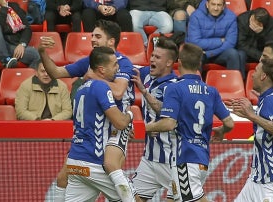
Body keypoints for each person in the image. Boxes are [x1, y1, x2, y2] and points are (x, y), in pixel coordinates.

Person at [38, 20, 136, 201]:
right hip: (102, 131)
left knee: (110, 167)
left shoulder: (122, 63)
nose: (92, 39)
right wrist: (42, 52)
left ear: (111, 41)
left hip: (113, 130)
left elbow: (118, 92)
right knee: (123, 191)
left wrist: (92, 78)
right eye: (92, 35)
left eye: (97, 36)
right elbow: (56, 73)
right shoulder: (92, 63)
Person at [145, 43, 234, 202]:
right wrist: (221, 131)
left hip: (184, 158)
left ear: (179, 62)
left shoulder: (176, 88)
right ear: (199, 63)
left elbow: (169, 123)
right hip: (202, 160)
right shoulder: (211, 91)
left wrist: (148, 126)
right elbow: (229, 123)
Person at [66, 46, 135, 201]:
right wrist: (130, 114)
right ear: (102, 70)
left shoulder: (81, 89)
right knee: (129, 197)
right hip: (94, 161)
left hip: (75, 162)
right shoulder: (101, 87)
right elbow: (120, 122)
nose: (118, 68)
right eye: (114, 65)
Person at [232, 59, 273, 202]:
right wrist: (250, 116)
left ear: (263, 76)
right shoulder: (266, 99)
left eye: (255, 71)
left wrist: (252, 115)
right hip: (256, 179)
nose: (252, 75)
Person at [130, 37, 179, 201]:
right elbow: (124, 68)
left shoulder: (174, 86)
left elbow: (166, 111)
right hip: (150, 159)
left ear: (168, 63)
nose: (151, 59)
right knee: (130, 198)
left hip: (171, 161)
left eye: (157, 57)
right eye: (152, 55)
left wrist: (144, 92)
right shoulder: (147, 75)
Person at [186, 0, 246, 78]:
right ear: (207, 4)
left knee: (234, 54)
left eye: (219, 5)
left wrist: (209, 53)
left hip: (217, 52)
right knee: (196, 56)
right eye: (213, 4)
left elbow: (230, 43)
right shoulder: (196, 16)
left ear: (223, 6)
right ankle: (196, 86)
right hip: (200, 51)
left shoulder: (231, 17)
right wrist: (220, 41)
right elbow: (195, 42)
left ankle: (232, 85)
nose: (216, 8)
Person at [0, 0, 40, 68]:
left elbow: (26, 28)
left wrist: (22, 44)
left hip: (13, 46)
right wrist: (4, 8)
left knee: (35, 54)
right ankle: (5, 60)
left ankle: (31, 78)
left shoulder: (14, 7)